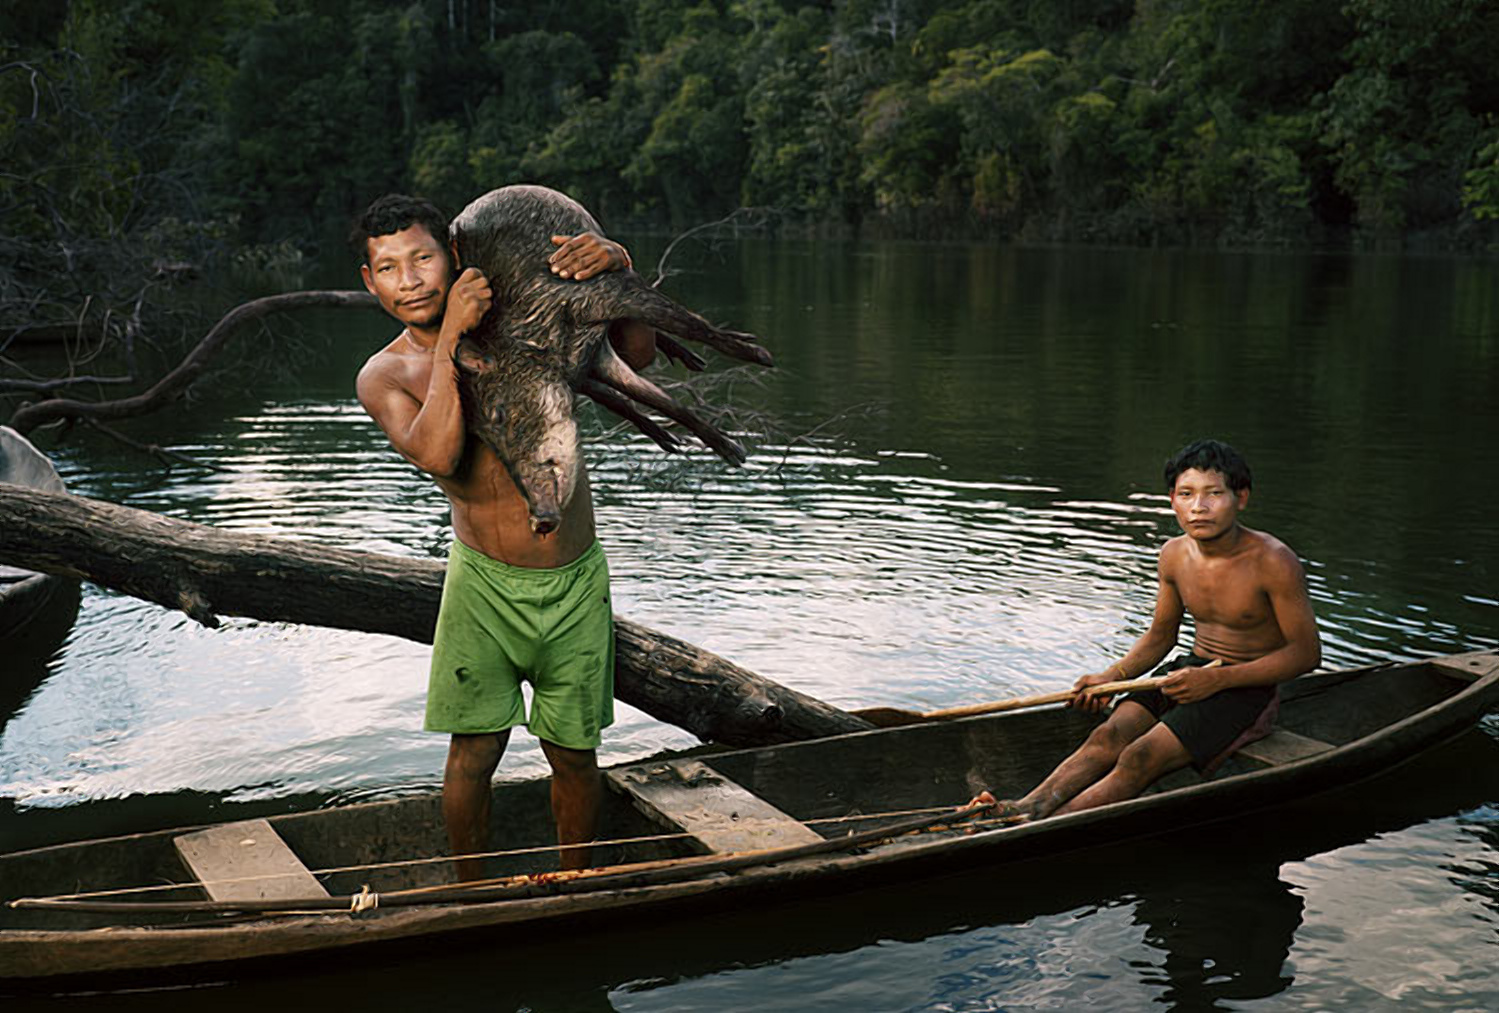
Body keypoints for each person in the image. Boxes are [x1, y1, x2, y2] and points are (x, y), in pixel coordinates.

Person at [351, 193, 654, 880]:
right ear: (370, 282)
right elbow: (440, 452)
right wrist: (452, 340)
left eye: (423, 258)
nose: (411, 280)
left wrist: (617, 271)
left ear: (455, 256)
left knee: (573, 752)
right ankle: (473, 894)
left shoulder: (524, 322)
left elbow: (639, 354)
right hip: (481, 584)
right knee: (473, 749)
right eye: (389, 268)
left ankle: (573, 886)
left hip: (572, 578)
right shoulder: (384, 374)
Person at [975, 439, 1321, 821]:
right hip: (1188, 670)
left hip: (1245, 687)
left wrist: (1219, 681)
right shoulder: (1174, 554)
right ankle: (1027, 808)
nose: (1199, 507)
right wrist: (1111, 678)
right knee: (1107, 737)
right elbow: (1161, 637)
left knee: (1140, 756)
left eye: (1214, 494)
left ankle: (1040, 827)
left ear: (1241, 498)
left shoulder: (1273, 561)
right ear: (1172, 499)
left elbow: (1305, 655)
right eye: (1186, 494)